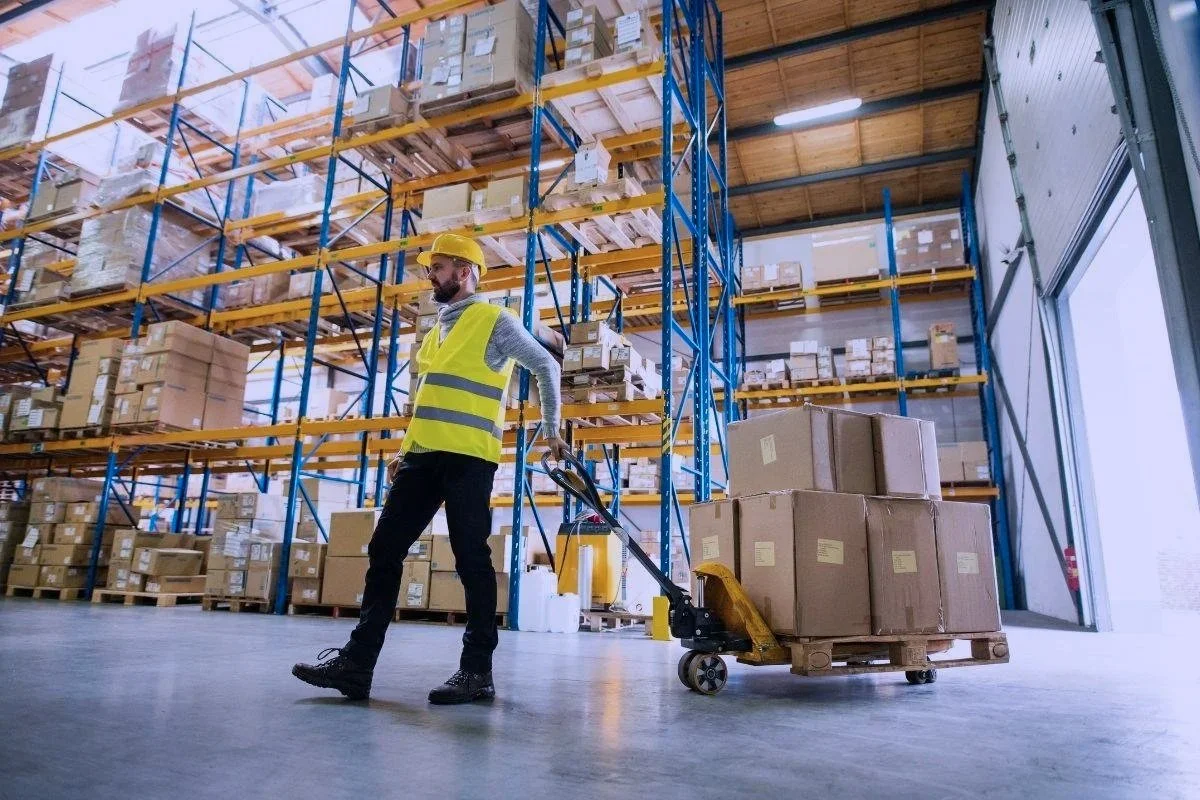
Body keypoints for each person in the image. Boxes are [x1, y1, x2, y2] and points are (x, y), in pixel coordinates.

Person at [292, 233, 568, 704]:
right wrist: (406, 449)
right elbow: (427, 403)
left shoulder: (493, 320)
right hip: (422, 459)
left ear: (464, 272)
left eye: (437, 268)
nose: (429, 276)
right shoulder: (437, 330)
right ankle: (357, 665)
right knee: (384, 548)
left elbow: (546, 364)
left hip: (469, 459)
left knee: (471, 560)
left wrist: (551, 427)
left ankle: (477, 671)